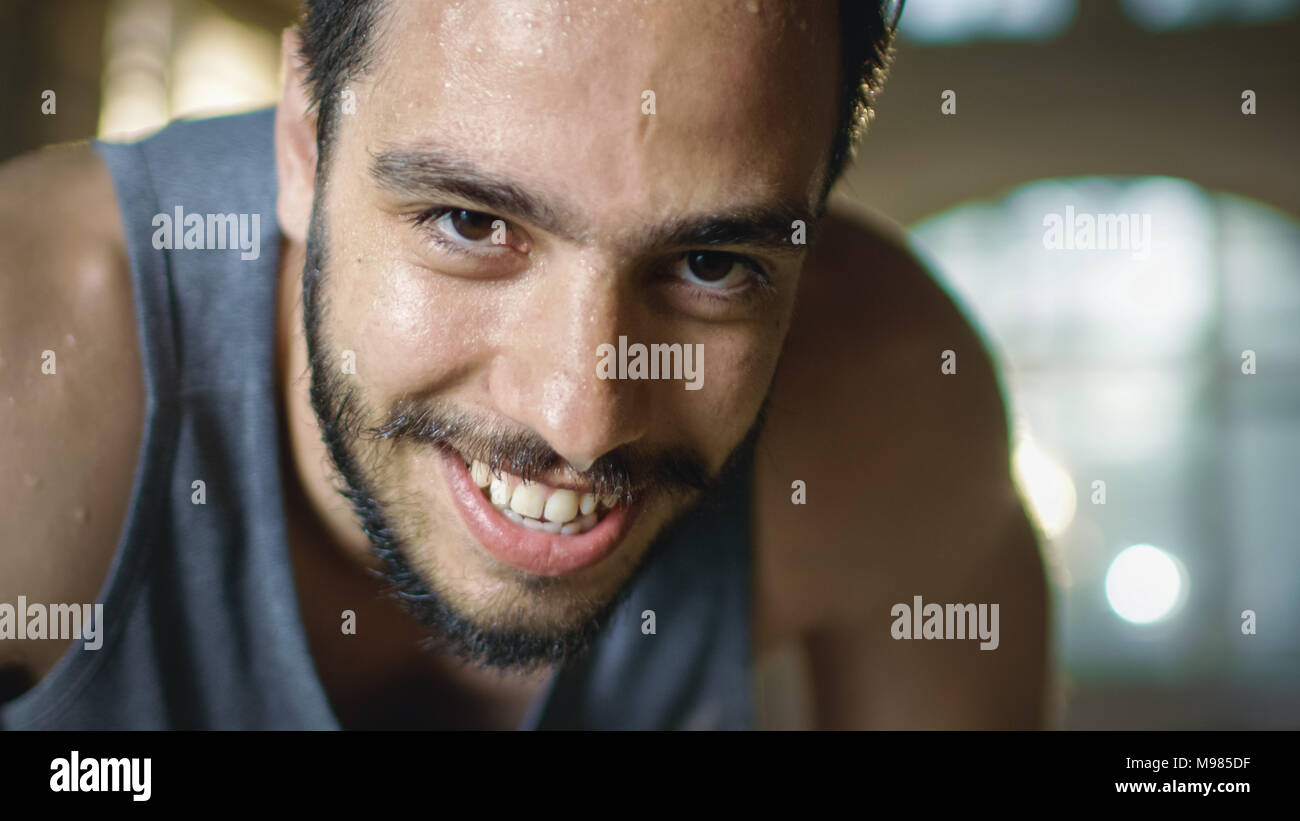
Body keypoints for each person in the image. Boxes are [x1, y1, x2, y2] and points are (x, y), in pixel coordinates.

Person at [0, 0, 1047, 729]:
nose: (579, 419)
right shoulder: (28, 373)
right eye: (470, 221)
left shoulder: (891, 404)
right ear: (304, 143)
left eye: (711, 263)